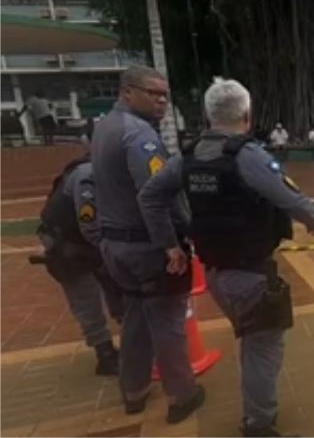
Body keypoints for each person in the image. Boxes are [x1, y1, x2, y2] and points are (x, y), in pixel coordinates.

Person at [139, 78, 314, 437]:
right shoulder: (247, 155)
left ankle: (257, 415)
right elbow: (289, 196)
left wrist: (171, 246)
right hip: (251, 276)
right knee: (262, 352)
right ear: (246, 113)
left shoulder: (188, 157)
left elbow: (150, 195)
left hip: (216, 274)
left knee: (252, 342)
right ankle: (258, 425)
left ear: (209, 115)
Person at [90, 65, 205, 423]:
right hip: (149, 248)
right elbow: (154, 197)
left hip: (116, 247)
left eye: (165, 95)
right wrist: (171, 244)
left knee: (137, 318)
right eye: (153, 93)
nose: (161, 101)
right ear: (127, 91)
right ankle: (182, 396)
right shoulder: (139, 135)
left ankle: (134, 390)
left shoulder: (104, 127)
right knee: (168, 321)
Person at [36, 141, 123, 376]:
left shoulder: (102, 170)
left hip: (83, 239)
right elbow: (90, 224)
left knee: (113, 285)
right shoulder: (88, 175)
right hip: (67, 243)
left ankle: (129, 335)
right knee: (85, 297)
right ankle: (104, 353)